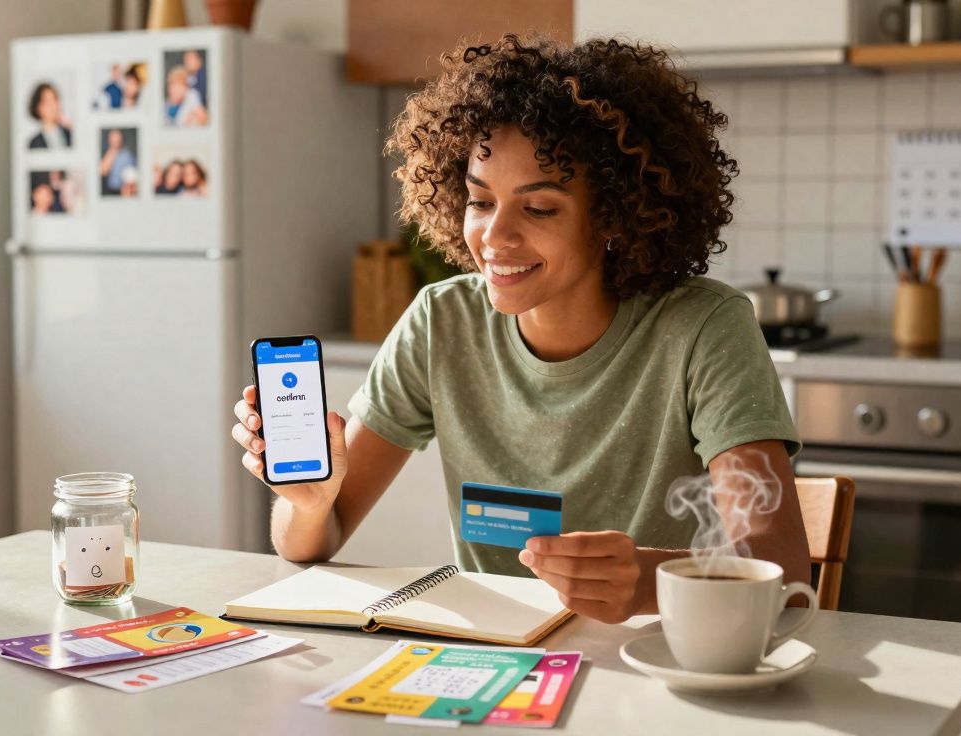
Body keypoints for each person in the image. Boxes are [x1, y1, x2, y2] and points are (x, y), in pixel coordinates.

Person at [228, 35, 810, 625]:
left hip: (658, 660)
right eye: (481, 202)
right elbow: (308, 544)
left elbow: (783, 566)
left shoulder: (702, 327)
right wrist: (310, 503)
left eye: (539, 209)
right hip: (497, 665)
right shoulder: (441, 322)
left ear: (610, 213)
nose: (495, 238)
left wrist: (647, 585)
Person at [28, 82, 72, 150]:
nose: (53, 106)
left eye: (54, 100)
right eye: (47, 102)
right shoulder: (35, 143)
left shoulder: (70, 134)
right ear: (38, 108)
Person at [99, 129, 136, 196]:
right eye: (112, 137)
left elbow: (131, 180)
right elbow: (103, 171)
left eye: (116, 137)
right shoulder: (108, 152)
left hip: (121, 193)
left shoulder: (126, 156)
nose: (114, 140)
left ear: (121, 138)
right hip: (109, 191)